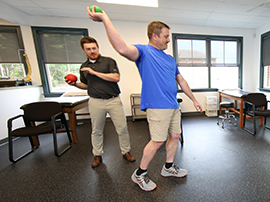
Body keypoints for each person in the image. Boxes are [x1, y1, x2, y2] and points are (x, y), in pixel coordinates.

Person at [87, 7, 203, 191]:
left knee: (175, 135)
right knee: (157, 141)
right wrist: (105, 19)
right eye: (165, 36)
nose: (168, 40)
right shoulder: (144, 52)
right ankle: (139, 174)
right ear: (154, 36)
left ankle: (168, 167)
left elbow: (181, 80)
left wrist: (194, 99)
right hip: (157, 105)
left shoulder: (170, 59)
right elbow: (122, 48)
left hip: (172, 104)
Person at [66, 36, 135, 168]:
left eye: (94, 48)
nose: (92, 51)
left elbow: (116, 77)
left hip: (113, 100)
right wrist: (75, 84)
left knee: (122, 128)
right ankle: (97, 155)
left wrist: (94, 72)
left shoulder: (109, 61)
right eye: (88, 49)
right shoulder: (84, 67)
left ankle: (126, 151)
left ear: (98, 47)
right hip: (95, 101)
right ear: (83, 50)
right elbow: (86, 85)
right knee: (96, 130)